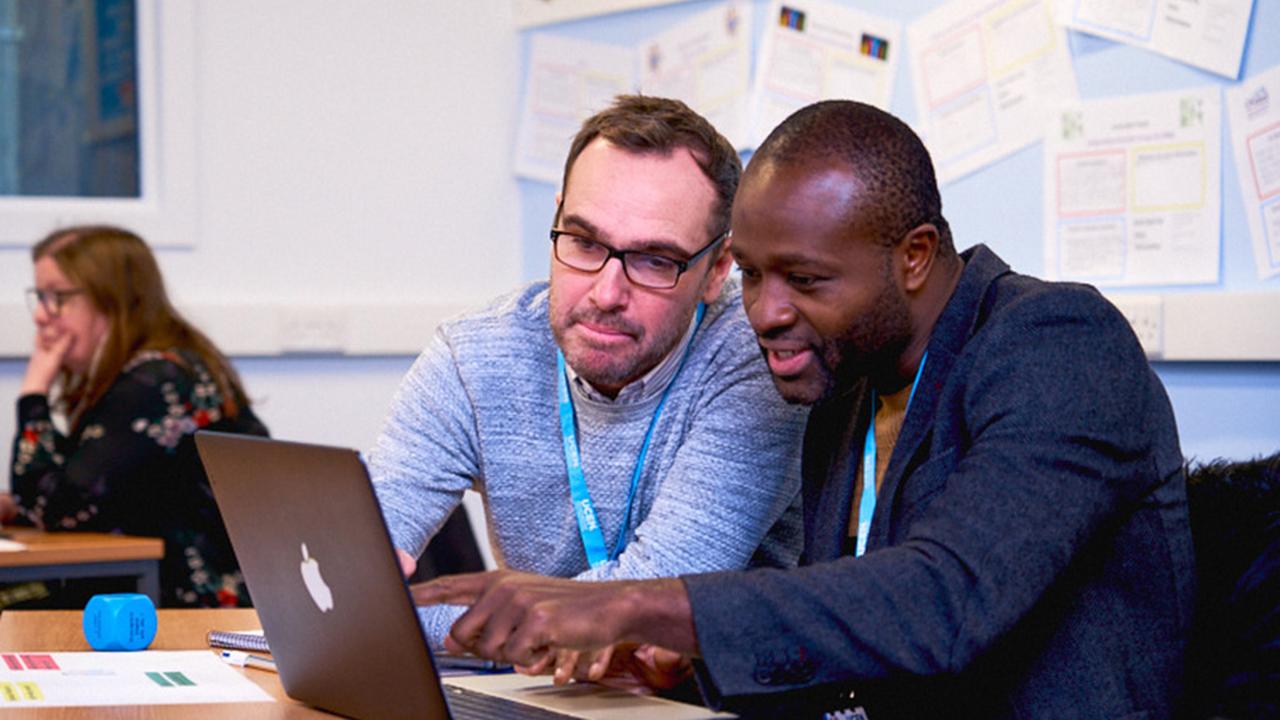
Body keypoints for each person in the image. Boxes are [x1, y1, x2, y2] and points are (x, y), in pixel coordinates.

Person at [412, 100, 1196, 718]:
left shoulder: (1058, 343)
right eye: (752, 275)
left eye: (806, 280)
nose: (765, 312)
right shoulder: (842, 382)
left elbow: (942, 601)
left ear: (914, 256)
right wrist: (692, 661)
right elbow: (848, 639)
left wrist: (633, 606)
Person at [369, 95, 807, 660]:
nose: (605, 293)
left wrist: (400, 622)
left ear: (715, 270)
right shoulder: (474, 354)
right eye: (584, 243)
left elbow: (651, 604)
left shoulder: (755, 365)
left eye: (654, 260)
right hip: (541, 691)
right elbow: (353, 577)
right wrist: (372, 609)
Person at [3, 225, 269, 609]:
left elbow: (61, 507)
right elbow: (89, 492)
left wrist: (33, 392)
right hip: (145, 589)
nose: (42, 316)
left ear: (111, 298)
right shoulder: (144, 371)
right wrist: (19, 505)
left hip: (190, 603)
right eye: (39, 297)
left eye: (57, 297)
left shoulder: (160, 379)